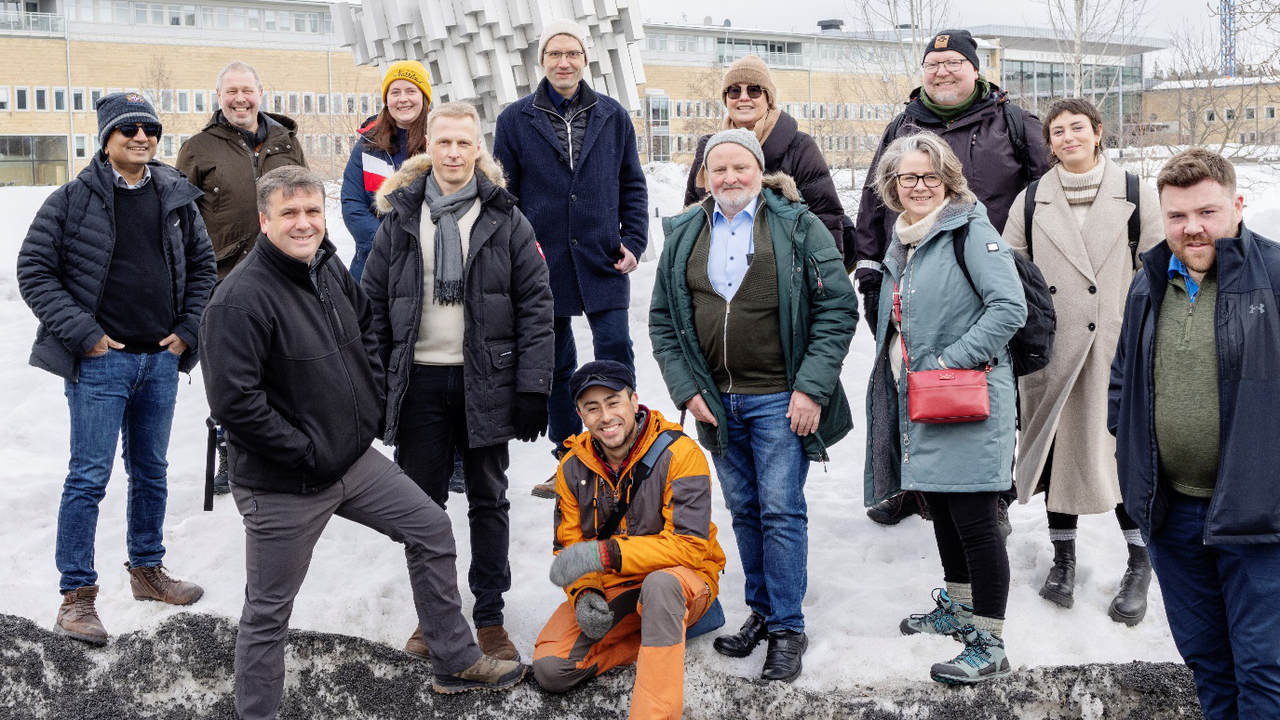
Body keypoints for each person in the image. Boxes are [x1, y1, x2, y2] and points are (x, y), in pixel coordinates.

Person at [199, 166, 526, 719]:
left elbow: (368, 327)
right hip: (285, 482)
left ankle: (452, 658)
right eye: (289, 214)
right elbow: (236, 405)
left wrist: (369, 405)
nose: (303, 224)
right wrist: (307, 451)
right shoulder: (239, 301)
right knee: (268, 613)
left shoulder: (326, 268)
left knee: (431, 529)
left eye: (311, 212)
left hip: (350, 462)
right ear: (263, 220)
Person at [650, 129, 856, 682]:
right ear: (704, 176)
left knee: (781, 511)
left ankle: (788, 628)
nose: (730, 178)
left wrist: (811, 388)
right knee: (744, 510)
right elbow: (663, 320)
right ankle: (762, 612)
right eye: (718, 170)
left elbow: (838, 307)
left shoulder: (796, 225)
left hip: (779, 401)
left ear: (759, 170)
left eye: (741, 167)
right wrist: (686, 389)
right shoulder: (687, 231)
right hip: (716, 403)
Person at [17, 91, 216, 645]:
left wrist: (189, 330)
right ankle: (76, 597)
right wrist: (83, 334)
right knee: (88, 477)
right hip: (101, 363)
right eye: (128, 129)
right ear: (106, 137)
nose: (141, 138)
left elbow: (204, 268)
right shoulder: (72, 199)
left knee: (151, 472)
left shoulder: (176, 195)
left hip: (159, 361)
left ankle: (147, 571)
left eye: (149, 129)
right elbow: (34, 270)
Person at [362, 101, 555, 662]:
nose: (452, 153)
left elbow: (537, 306)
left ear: (478, 150)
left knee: (489, 501)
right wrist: (377, 387)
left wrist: (532, 387)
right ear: (429, 149)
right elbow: (373, 306)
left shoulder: (505, 218)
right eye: (442, 143)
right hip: (418, 382)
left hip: (486, 383)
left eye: (463, 144)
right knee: (420, 509)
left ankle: (490, 617)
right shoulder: (400, 216)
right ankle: (434, 617)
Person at [1109, 148, 1280, 720]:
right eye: (1178, 216)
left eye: (1206, 212)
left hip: (1261, 517)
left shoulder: (1274, 278)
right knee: (1207, 661)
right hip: (1173, 513)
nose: (1193, 228)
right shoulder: (1148, 283)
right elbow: (1123, 381)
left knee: (1265, 669)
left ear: (1236, 205)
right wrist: (1130, 446)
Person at [855, 29, 1048, 527]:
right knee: (907, 375)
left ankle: (992, 495)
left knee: (981, 385)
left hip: (984, 272)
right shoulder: (903, 126)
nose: (942, 71)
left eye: (954, 62)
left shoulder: (1011, 120)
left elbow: (1047, 191)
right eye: (933, 63)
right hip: (913, 271)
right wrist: (871, 265)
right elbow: (876, 196)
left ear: (975, 70)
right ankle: (913, 484)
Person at [862, 132, 1026, 683]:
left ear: (948, 179)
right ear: (892, 185)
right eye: (907, 177)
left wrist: (949, 363)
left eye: (930, 176)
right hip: (923, 401)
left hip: (969, 396)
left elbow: (1009, 307)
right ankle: (958, 608)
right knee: (944, 512)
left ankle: (991, 642)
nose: (919, 186)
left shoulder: (969, 230)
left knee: (977, 521)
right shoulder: (904, 241)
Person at [1001, 98, 1162, 622]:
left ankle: (1140, 562)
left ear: (1097, 132)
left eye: (1078, 128)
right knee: (1060, 457)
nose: (1068, 137)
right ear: (1048, 143)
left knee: (1120, 461)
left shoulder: (1137, 194)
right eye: (1057, 131)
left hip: (1117, 350)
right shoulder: (1030, 201)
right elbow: (1012, 273)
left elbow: (1158, 272)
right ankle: (1063, 559)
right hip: (1053, 352)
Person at [492, 19, 648, 497]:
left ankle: (629, 455)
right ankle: (569, 458)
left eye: (572, 54)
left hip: (603, 259)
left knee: (615, 353)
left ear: (585, 60)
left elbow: (632, 184)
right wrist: (518, 256)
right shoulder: (515, 119)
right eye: (554, 54)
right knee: (556, 364)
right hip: (544, 264)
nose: (564, 62)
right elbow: (505, 196)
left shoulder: (613, 115)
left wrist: (635, 241)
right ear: (542, 61)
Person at [532, 360, 726, 719]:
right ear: (580, 414)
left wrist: (605, 554)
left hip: (682, 579)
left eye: (613, 401)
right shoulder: (572, 467)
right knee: (551, 668)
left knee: (662, 587)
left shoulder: (681, 454)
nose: (605, 416)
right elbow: (571, 546)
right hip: (617, 586)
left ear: (634, 400)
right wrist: (585, 592)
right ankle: (670, 631)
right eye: (592, 408)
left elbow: (690, 546)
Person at [177, 60, 308, 496]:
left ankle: (283, 450)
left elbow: (307, 202)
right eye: (230, 91)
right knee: (232, 370)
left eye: (246, 90)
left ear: (260, 92)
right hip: (226, 277)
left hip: (286, 273)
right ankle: (230, 452)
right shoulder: (199, 148)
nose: (239, 98)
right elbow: (181, 220)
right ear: (219, 97)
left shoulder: (286, 141)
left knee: (286, 365)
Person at [682, 55, 845, 252]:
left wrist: (823, 275)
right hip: (719, 266)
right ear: (726, 100)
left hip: (784, 269)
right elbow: (690, 218)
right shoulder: (709, 150)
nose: (743, 97)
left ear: (768, 98)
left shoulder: (799, 146)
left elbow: (826, 217)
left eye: (754, 90)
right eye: (734, 91)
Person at [342, 60, 433, 282]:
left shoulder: (441, 141)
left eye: (411, 90)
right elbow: (352, 204)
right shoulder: (367, 143)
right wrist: (385, 246)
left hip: (429, 264)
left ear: (424, 97)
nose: (403, 99)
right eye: (395, 92)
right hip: (374, 264)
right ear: (386, 100)